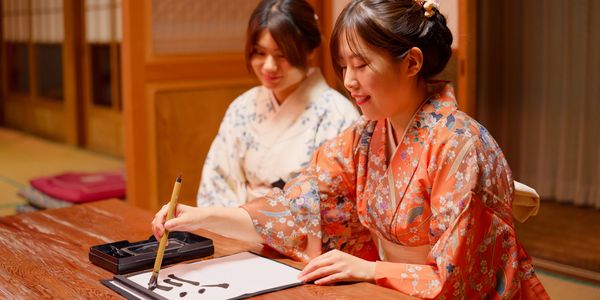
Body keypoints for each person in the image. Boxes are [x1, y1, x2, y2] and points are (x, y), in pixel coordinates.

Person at [154, 0, 549, 298]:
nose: (349, 81)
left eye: (361, 65)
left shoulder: (460, 145)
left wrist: (368, 269)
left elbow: (457, 276)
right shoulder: (362, 137)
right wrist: (200, 216)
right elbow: (299, 208)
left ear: (412, 63)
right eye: (343, 66)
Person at [197, 0, 360, 207]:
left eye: (281, 55)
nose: (269, 66)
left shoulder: (338, 115)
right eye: (259, 52)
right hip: (237, 232)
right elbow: (216, 185)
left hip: (303, 236)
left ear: (309, 50)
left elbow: (337, 204)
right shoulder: (243, 107)